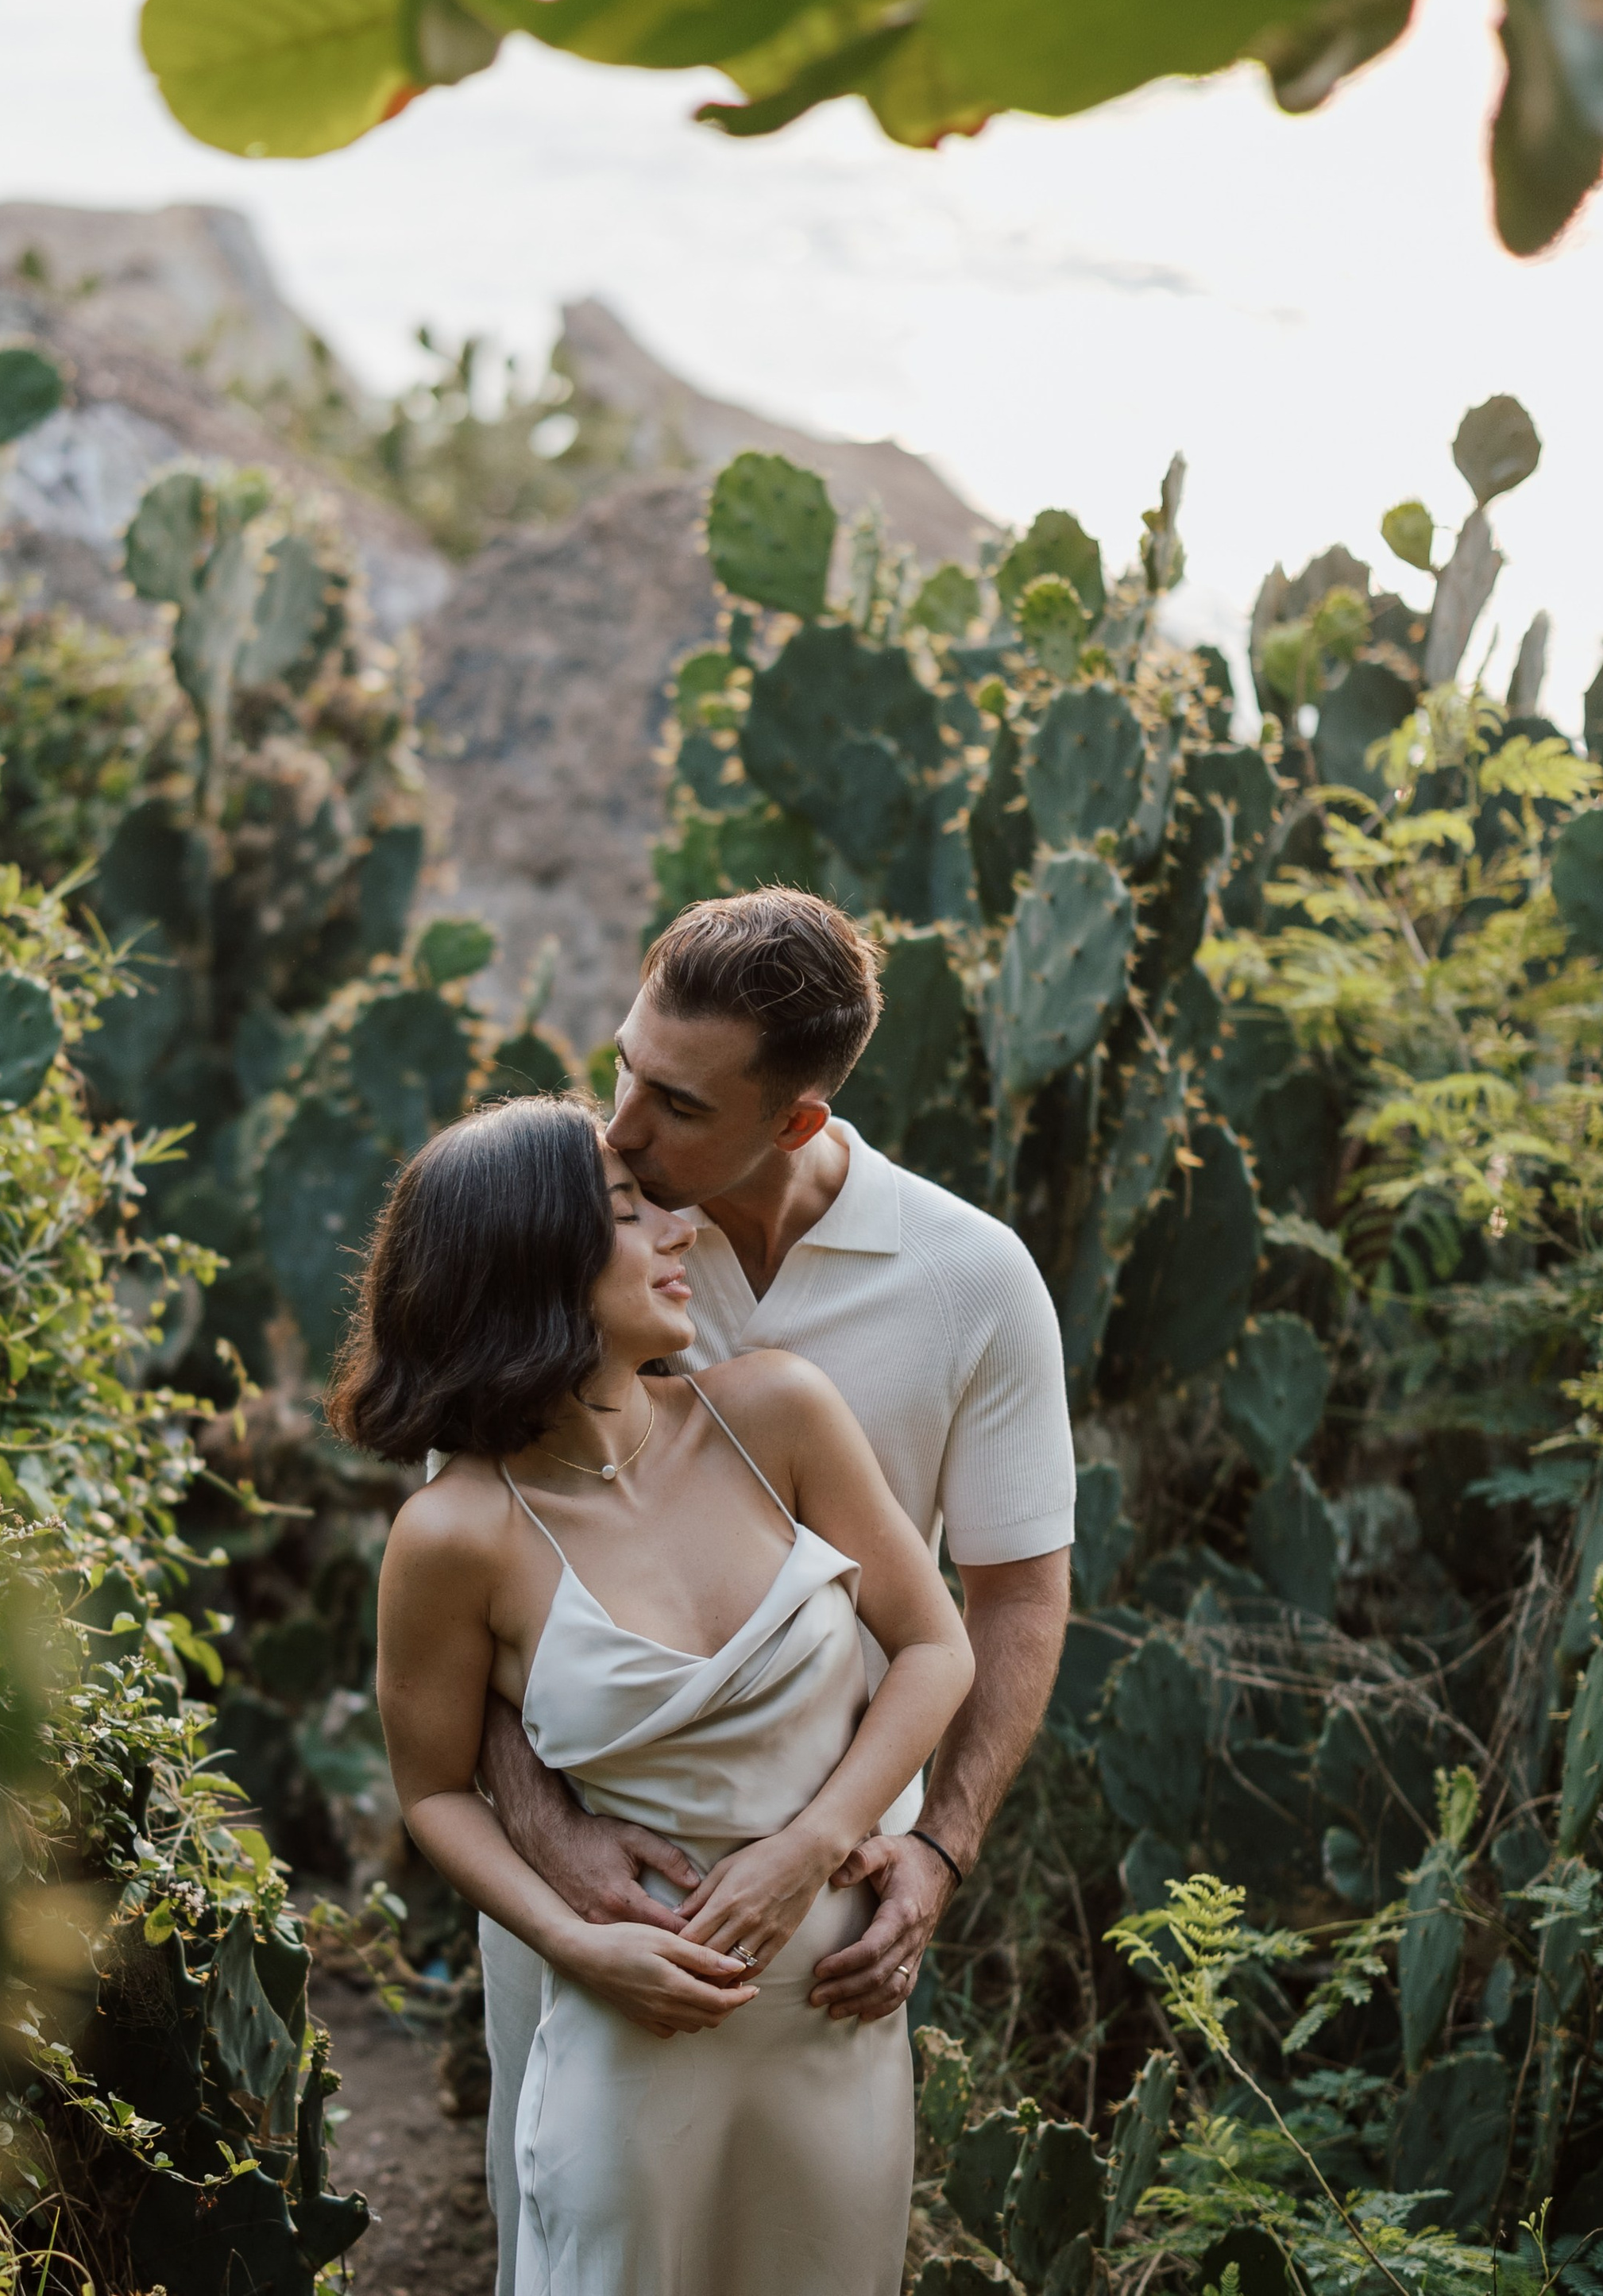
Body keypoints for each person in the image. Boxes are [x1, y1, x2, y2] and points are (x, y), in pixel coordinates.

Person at [468, 888, 1076, 2291]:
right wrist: (556, 1848)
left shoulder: (973, 1283)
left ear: (797, 1121)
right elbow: (475, 1589)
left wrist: (935, 1852)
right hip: (587, 1915)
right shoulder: (560, 1231)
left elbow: (1015, 1602)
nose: (619, 1128)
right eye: (623, 1064)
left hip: (831, 1910)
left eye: (675, 1104)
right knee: (564, 2242)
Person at [338, 1092, 975, 2296]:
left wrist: (814, 1844)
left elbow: (938, 1648)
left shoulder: (777, 1413)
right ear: (534, 1261)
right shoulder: (454, 1535)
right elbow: (434, 1793)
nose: (682, 1233)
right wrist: (579, 1946)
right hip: (633, 2049)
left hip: (835, 2038)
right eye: (633, 1216)